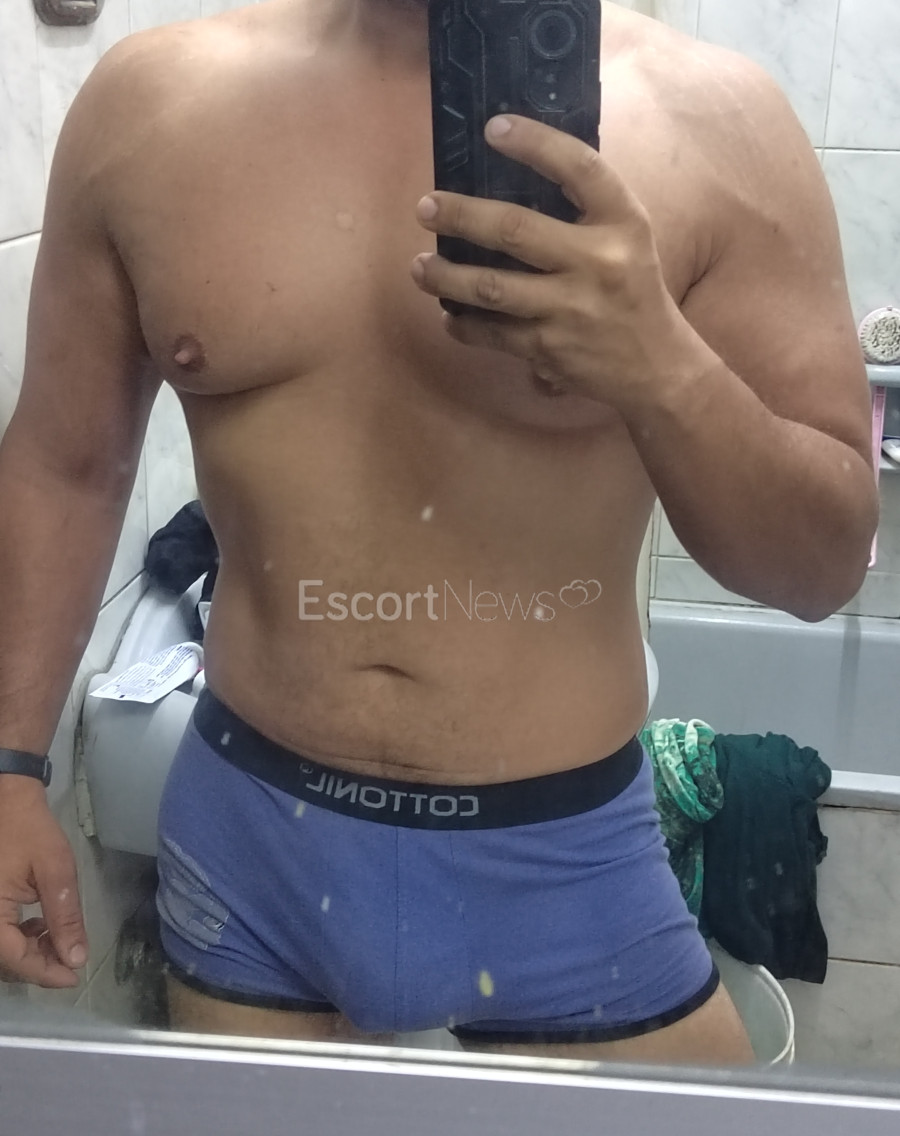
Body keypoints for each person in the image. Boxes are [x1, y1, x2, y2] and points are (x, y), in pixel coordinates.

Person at [0, 0, 877, 1066]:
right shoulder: (152, 103)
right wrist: (9, 766)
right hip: (253, 840)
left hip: (563, 861)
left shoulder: (719, 123)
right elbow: (65, 465)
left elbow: (822, 566)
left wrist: (662, 366)